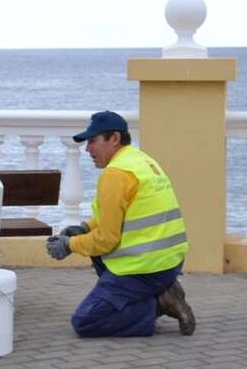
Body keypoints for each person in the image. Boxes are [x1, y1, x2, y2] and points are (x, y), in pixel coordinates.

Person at [46, 110, 196, 337]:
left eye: (93, 141)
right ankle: (162, 290)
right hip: (169, 263)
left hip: (144, 268)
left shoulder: (116, 174)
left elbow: (106, 240)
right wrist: (85, 228)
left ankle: (160, 302)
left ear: (114, 138)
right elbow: (117, 216)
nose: (88, 149)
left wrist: (69, 245)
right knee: (93, 247)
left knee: (86, 321)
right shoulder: (143, 161)